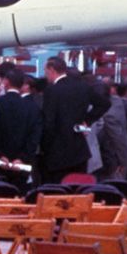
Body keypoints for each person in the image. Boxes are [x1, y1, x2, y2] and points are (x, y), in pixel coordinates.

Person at [38, 56, 107, 184]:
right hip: (79, 150)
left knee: (57, 195)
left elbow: (49, 123)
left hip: (56, 152)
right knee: (78, 191)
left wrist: (44, 147)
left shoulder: (51, 90)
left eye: (45, 71)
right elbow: (104, 104)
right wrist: (87, 120)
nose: (45, 75)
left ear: (51, 69)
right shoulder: (82, 87)